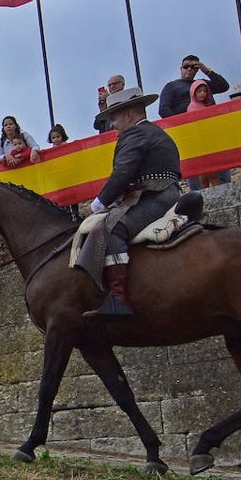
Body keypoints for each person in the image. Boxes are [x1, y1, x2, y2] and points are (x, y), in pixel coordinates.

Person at [86, 88, 182, 320]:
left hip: (156, 197)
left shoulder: (134, 135)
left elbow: (123, 173)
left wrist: (99, 203)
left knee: (110, 228)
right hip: (167, 194)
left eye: (115, 119)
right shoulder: (156, 133)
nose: (113, 126)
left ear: (129, 115)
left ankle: (118, 297)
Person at [159, 55, 228, 118]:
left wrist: (207, 71)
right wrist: (181, 121)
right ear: (181, 68)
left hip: (211, 120)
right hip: (187, 126)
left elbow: (223, 86)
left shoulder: (202, 84)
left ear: (197, 70)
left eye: (193, 67)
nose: (189, 69)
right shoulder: (171, 86)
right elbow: (164, 109)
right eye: (186, 66)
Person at [186, 80, 225, 188]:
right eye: (199, 91)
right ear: (193, 93)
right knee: (209, 173)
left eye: (204, 91)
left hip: (208, 142)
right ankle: (215, 194)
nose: (202, 93)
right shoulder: (192, 107)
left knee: (209, 173)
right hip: (201, 144)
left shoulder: (205, 106)